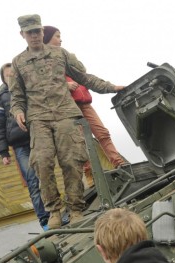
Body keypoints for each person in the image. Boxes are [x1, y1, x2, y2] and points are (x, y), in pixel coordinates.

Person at [10, 14, 124, 228]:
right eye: (29, 32)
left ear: (43, 32)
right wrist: (17, 111)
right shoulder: (18, 62)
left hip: (65, 114)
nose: (34, 36)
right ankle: (54, 210)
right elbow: (16, 95)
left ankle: (75, 209)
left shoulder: (60, 54)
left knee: (72, 162)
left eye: (37, 31)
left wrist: (110, 87)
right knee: (42, 163)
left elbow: (85, 77)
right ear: (22, 35)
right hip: (38, 118)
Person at [42, 26, 127, 188]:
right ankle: (91, 176)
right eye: (57, 36)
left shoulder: (65, 56)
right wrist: (64, 85)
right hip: (66, 108)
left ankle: (119, 163)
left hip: (84, 103)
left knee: (102, 132)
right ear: (46, 38)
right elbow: (43, 87)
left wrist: (111, 87)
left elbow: (85, 75)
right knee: (79, 142)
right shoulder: (40, 61)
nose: (60, 39)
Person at [0, 63, 50, 229]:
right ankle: (44, 220)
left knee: (47, 176)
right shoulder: (0, 99)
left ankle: (57, 212)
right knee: (33, 180)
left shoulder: (28, 90)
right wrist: (3, 152)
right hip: (20, 145)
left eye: (13, 74)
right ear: (3, 79)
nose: (11, 77)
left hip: (37, 138)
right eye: (8, 75)